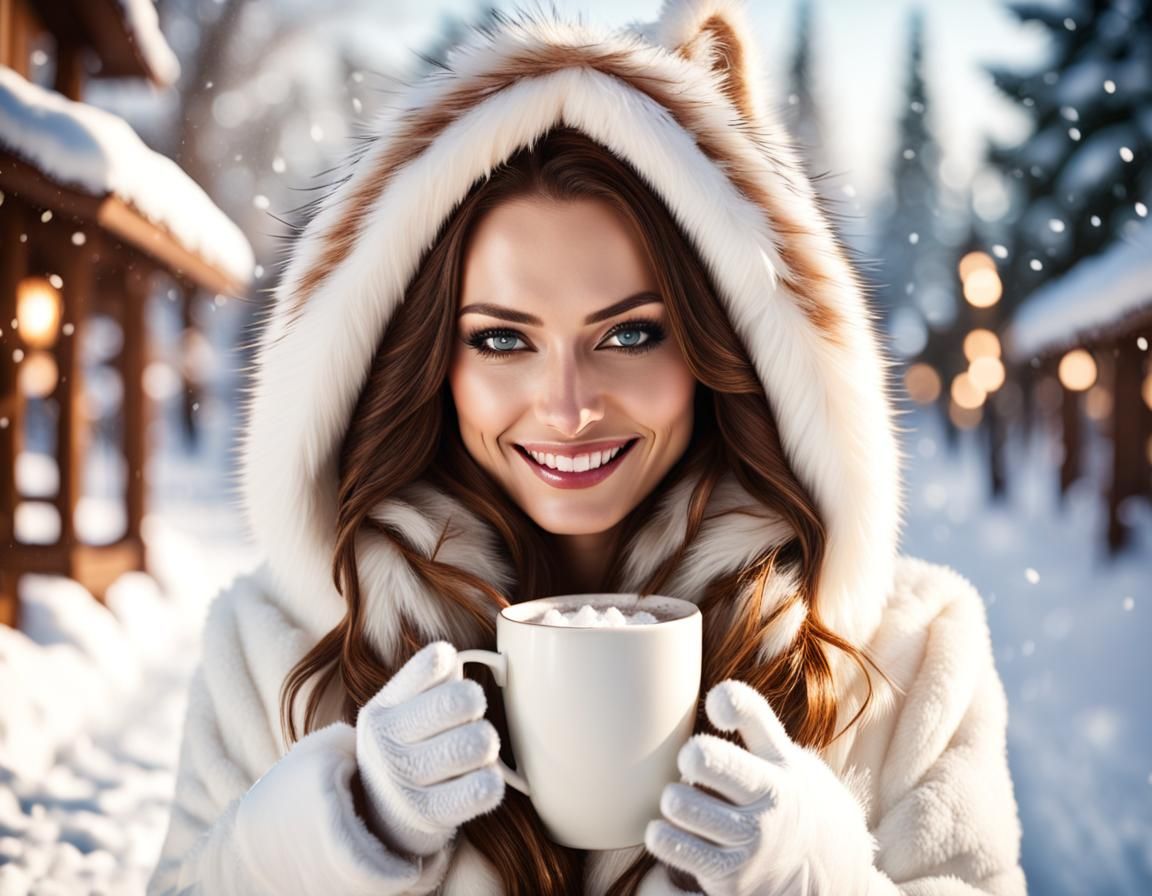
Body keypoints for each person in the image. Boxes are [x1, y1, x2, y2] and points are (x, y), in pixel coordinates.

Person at [148, 1, 1026, 894]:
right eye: (501, 339)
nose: (566, 408)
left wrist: (811, 872)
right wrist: (345, 833)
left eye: (630, 334)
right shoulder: (275, 654)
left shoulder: (910, 659)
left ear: (723, 348)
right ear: (422, 362)